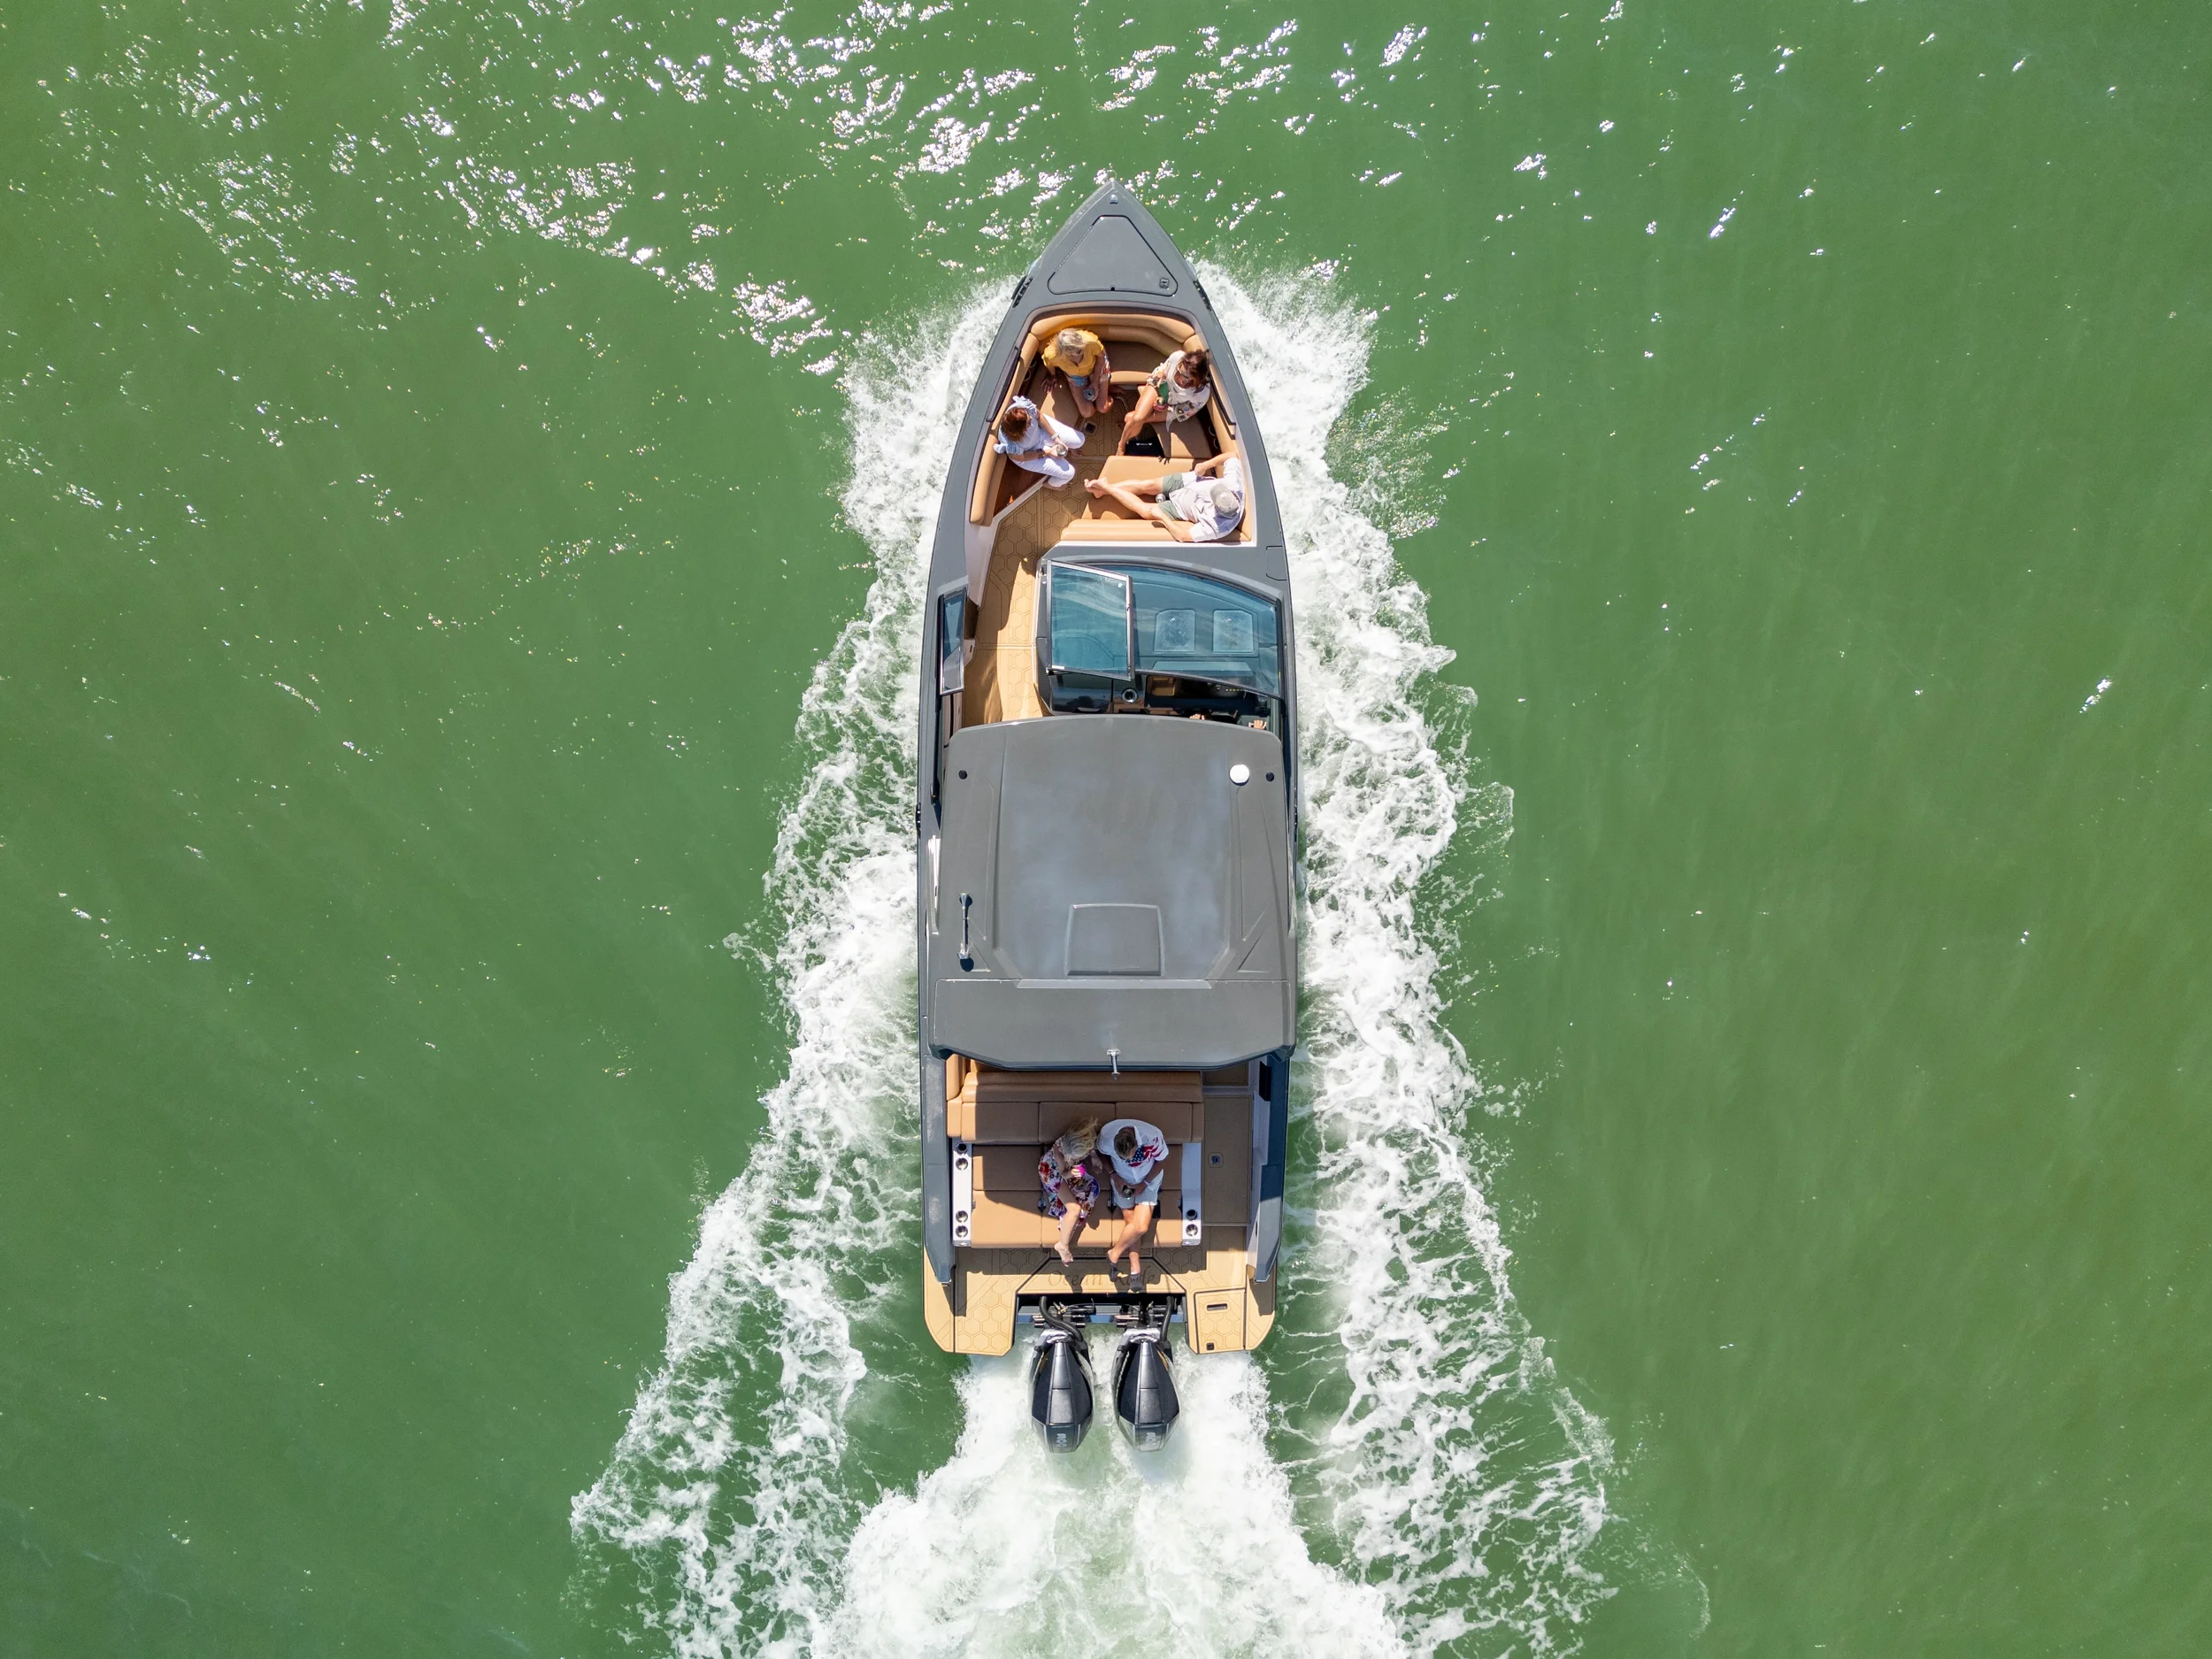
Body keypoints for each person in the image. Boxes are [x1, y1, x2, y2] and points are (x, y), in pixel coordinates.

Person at [1084, 453, 1246, 543]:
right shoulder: (1233, 485)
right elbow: (1232, 456)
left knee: (1146, 511)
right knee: (1147, 485)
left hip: (1179, 509)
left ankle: (1106, 488)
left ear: (1217, 511)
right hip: (1191, 482)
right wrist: (1206, 465)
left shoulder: (1218, 528)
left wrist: (1162, 518)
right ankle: (1102, 491)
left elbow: (1184, 537)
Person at [1098, 1117, 1171, 1286]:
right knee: (1130, 1222)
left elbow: (1162, 1161)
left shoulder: (1151, 1137)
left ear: (1137, 1144)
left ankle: (1114, 1253)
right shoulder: (1107, 1137)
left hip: (1149, 1179)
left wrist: (1143, 1184)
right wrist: (1114, 1176)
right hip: (1121, 1179)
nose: (1128, 1162)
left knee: (1140, 1226)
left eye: (1130, 1158)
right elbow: (1101, 1154)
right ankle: (1134, 1265)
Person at [1117, 347, 1212, 453]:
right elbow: (1163, 367)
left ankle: (1129, 428)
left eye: (1187, 378)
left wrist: (1168, 408)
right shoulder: (1177, 357)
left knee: (1129, 419)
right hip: (1160, 386)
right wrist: (1160, 374)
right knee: (1137, 418)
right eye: (1180, 371)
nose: (1181, 378)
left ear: (1198, 379)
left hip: (1173, 407)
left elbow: (1188, 410)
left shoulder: (1202, 393)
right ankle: (1122, 443)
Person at [1037, 1118, 1103, 1266]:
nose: (1077, 1158)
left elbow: (1091, 1147)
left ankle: (1064, 1239)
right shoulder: (1059, 1154)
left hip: (1066, 1170)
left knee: (1088, 1192)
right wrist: (1073, 1173)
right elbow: (1063, 1174)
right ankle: (1063, 1245)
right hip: (1053, 1173)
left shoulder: (1084, 1137)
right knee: (1074, 1209)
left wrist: (1094, 1158)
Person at [995, 396, 1084, 488]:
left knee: (1080, 440)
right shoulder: (1011, 446)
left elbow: (1039, 416)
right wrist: (1048, 452)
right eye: (1029, 422)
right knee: (1069, 473)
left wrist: (1056, 438)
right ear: (1020, 431)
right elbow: (1021, 457)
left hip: (1040, 433)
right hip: (1026, 455)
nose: (1031, 417)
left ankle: (1069, 449)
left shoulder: (1024, 409)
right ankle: (1050, 485)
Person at [1041, 326, 1113, 420]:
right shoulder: (1051, 355)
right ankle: (1104, 389)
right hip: (1075, 376)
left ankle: (1109, 391)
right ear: (1064, 352)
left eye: (1081, 347)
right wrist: (1053, 376)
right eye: (1078, 351)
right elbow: (1049, 364)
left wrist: (1095, 383)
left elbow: (1101, 357)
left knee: (1103, 408)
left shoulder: (1090, 342)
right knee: (1087, 413)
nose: (1081, 351)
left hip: (1097, 367)